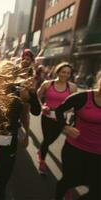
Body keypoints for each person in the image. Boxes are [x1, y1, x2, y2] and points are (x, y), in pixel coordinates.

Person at [0, 61, 41, 200]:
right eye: (6, 72)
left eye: (12, 73)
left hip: (9, 143)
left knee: (3, 179)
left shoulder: (21, 92)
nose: (8, 75)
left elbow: (34, 112)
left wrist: (32, 95)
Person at [54, 71, 101, 200]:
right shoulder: (83, 97)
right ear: (99, 80)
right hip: (76, 149)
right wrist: (65, 126)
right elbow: (59, 110)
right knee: (69, 181)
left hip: (98, 154)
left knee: (96, 190)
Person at [37, 62, 77, 174]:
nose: (65, 75)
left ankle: (41, 151)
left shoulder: (72, 87)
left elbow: (75, 105)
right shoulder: (47, 84)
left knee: (52, 139)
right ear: (58, 72)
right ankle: (42, 160)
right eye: (63, 72)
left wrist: (67, 110)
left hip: (61, 119)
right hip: (47, 116)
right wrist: (42, 106)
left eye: (68, 73)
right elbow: (37, 96)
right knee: (46, 139)